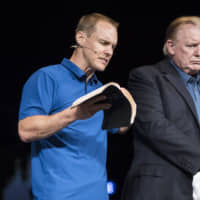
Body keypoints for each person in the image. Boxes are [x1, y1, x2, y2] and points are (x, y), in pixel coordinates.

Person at [18, 12, 132, 200]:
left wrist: (127, 105)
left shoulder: (102, 91)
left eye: (113, 47)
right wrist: (75, 114)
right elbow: (26, 130)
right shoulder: (47, 77)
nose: (109, 52)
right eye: (103, 43)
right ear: (81, 37)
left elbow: (120, 128)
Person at [121, 16, 200, 200]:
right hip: (161, 189)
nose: (199, 52)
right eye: (191, 45)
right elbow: (153, 126)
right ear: (171, 46)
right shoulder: (146, 77)